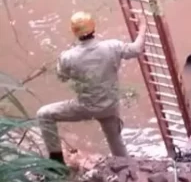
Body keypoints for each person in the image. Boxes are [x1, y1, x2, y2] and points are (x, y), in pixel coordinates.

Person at [37, 11, 146, 165]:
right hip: (109, 106)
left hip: (85, 107)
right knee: (116, 141)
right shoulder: (112, 47)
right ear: (93, 27)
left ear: (74, 32)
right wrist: (142, 27)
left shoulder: (68, 57)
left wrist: (60, 62)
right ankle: (127, 168)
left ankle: (56, 162)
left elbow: (62, 77)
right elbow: (136, 49)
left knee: (44, 114)